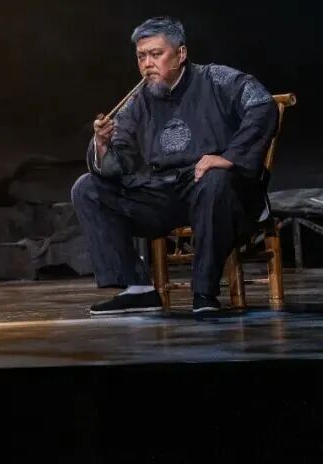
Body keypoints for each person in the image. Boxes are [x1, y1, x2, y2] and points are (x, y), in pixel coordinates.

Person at [71, 16, 279, 314]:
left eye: (156, 54)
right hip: (165, 192)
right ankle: (138, 289)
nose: (147, 64)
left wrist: (230, 156)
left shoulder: (216, 79)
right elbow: (120, 164)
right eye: (141, 57)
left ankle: (204, 292)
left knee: (215, 179)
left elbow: (262, 105)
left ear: (180, 54)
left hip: (216, 190)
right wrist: (102, 144)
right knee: (87, 188)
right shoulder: (139, 100)